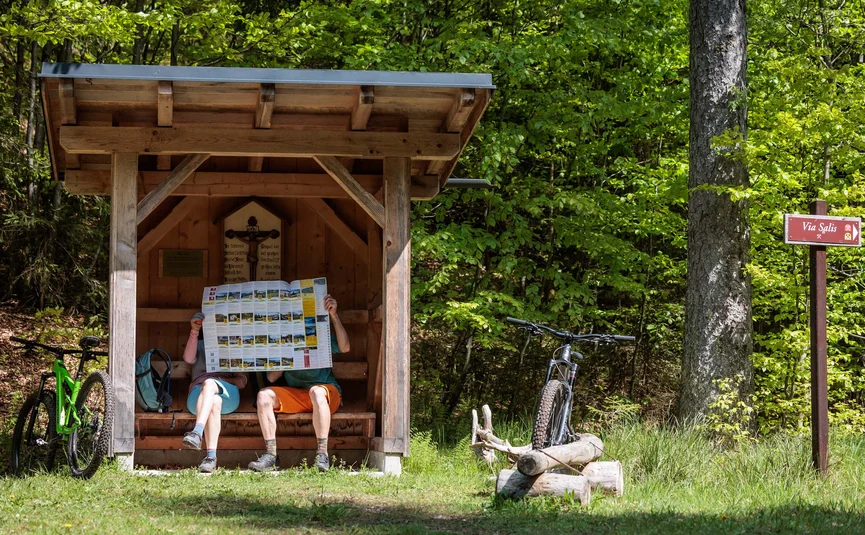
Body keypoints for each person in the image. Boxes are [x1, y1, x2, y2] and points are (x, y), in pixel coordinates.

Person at [249, 294, 350, 472]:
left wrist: (334, 315)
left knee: (316, 392)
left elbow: (345, 347)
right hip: (297, 394)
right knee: (264, 395)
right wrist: (286, 355)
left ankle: (322, 455)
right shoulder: (283, 340)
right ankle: (271, 455)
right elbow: (272, 378)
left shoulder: (318, 336)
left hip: (325, 393)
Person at [181, 312, 249, 472]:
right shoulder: (200, 344)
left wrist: (221, 381)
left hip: (228, 395)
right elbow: (188, 359)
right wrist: (194, 331)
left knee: (210, 383)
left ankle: (197, 432)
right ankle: (210, 457)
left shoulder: (236, 347)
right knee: (214, 401)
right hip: (198, 397)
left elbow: (242, 382)